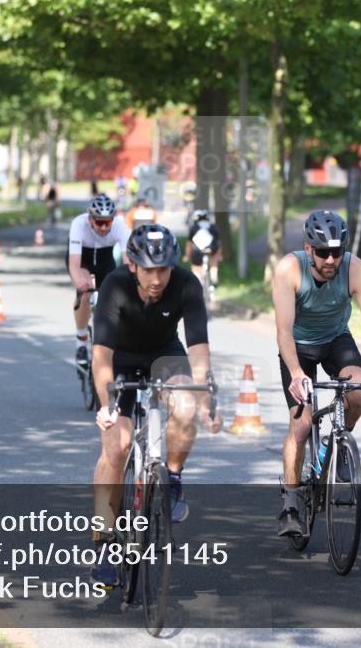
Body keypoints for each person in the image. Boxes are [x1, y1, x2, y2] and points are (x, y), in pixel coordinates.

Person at [89, 223, 223, 585]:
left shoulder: (186, 285)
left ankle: (173, 478)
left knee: (185, 405)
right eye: (148, 269)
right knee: (116, 447)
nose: (157, 278)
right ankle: (104, 542)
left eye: (163, 269)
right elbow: (100, 355)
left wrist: (203, 397)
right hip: (119, 359)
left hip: (164, 354)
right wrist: (106, 404)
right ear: (132, 265)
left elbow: (198, 352)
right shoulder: (114, 285)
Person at [272, 210, 361, 537]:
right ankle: (291, 502)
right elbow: (283, 332)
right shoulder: (289, 269)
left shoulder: (356, 269)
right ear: (309, 250)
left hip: (335, 339)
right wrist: (295, 373)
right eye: (323, 252)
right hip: (298, 347)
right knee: (302, 424)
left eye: (337, 252)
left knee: (357, 390)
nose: (331, 259)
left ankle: (341, 439)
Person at [66, 194, 132, 372]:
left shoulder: (120, 226)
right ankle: (81, 341)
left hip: (105, 259)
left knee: (116, 294)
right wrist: (80, 283)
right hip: (83, 259)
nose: (103, 227)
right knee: (85, 291)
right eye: (99, 222)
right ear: (90, 219)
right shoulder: (78, 224)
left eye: (107, 223)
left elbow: (129, 265)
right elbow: (74, 264)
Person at [183, 209, 223, 292]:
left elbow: (189, 244)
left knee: (196, 269)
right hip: (212, 250)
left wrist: (187, 256)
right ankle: (214, 280)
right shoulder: (213, 227)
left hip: (197, 251)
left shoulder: (194, 227)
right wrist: (219, 256)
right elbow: (218, 243)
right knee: (213, 266)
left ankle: (197, 283)